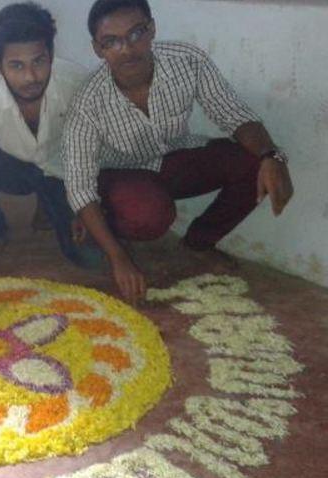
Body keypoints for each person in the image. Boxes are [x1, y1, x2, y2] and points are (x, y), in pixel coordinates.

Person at [62, 0, 294, 304]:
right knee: (150, 215)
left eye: (136, 33)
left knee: (252, 161)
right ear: (97, 48)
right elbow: (79, 185)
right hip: (118, 176)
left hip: (173, 160)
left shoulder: (187, 62)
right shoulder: (87, 103)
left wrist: (272, 156)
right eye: (111, 41)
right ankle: (106, 231)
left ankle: (198, 243)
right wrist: (118, 258)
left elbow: (233, 115)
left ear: (152, 29)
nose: (127, 49)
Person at [0, 2, 98, 303]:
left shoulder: (78, 83)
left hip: (62, 173)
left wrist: (86, 205)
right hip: (9, 167)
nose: (30, 76)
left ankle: (50, 207)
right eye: (16, 65)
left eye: (39, 61)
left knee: (88, 257)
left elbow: (95, 150)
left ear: (52, 56)